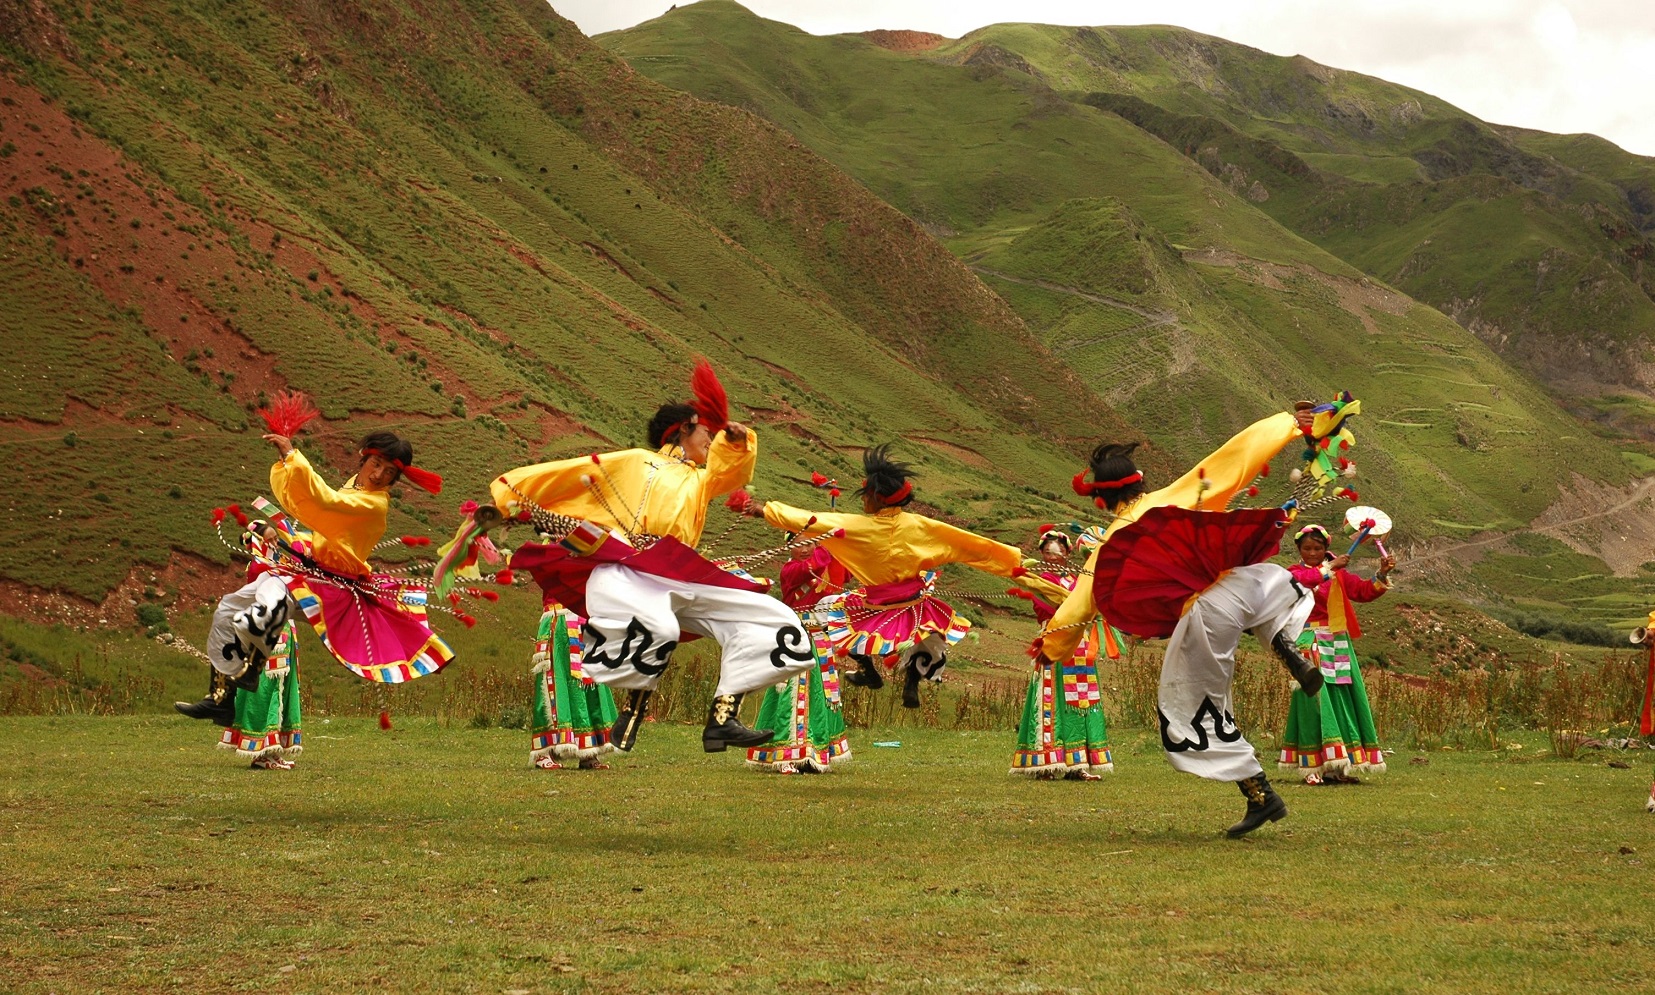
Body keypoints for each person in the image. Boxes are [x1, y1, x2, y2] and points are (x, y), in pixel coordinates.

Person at [463, 362, 815, 753]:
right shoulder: (635, 461)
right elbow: (567, 474)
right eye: (707, 432)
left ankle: (723, 716)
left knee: (777, 620)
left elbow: (729, 472)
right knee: (660, 628)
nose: (711, 440)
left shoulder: (700, 479)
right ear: (684, 428)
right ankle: (631, 702)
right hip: (628, 568)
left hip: (679, 572)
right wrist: (507, 504)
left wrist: (736, 439)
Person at [1039, 405, 1334, 837]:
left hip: (1207, 614)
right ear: (1140, 481)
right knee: (1274, 586)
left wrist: (1050, 647)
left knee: (1195, 711)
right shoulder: (1175, 495)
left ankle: (1262, 795)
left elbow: (1079, 607)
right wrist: (1291, 425)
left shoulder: (1111, 543)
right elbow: (1235, 458)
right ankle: (1286, 647)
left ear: (1100, 499)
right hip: (1248, 586)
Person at [175, 428, 455, 763]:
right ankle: (221, 697)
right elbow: (321, 522)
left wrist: (292, 456)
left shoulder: (372, 504)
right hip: (312, 568)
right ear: (365, 457)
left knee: (267, 605)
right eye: (376, 464)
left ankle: (251, 668)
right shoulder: (355, 484)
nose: (379, 474)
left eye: (389, 472)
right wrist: (285, 524)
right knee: (226, 610)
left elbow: (326, 504)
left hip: (332, 584)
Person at [760, 445, 1040, 709]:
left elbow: (807, 519)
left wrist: (763, 510)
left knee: (841, 623)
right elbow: (971, 545)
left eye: (867, 496)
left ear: (876, 497)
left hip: (877, 604)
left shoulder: (857, 526)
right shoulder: (922, 526)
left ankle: (869, 670)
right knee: (929, 639)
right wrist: (1015, 562)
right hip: (911, 602)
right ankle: (907, 682)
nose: (864, 501)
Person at [1278, 524, 1396, 784]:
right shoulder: (1294, 573)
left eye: (1318, 548)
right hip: (1309, 640)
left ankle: (1338, 765)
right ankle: (1311, 767)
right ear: (1298, 549)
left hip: (1338, 640)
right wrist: (1329, 569)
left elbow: (1363, 591)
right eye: (1307, 548)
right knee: (1314, 701)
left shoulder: (1339, 575)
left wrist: (1381, 573)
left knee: (1341, 699)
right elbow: (1302, 583)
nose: (1312, 553)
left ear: (1325, 549)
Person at [1010, 528, 1120, 780]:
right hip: (1054, 641)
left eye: (1057, 551)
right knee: (1051, 699)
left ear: (1068, 553)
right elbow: (1044, 607)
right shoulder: (1040, 579)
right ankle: (1046, 763)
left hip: (1081, 647)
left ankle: (1078, 764)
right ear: (1041, 555)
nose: (1052, 556)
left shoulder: (1079, 580)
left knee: (1081, 703)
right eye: (1047, 552)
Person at [746, 544, 854, 773]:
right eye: (799, 545)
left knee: (821, 693)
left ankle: (815, 752)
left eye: (810, 544)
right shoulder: (792, 570)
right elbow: (810, 567)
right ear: (789, 547)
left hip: (820, 637)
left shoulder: (822, 566)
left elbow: (846, 573)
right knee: (793, 693)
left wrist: (843, 550)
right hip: (796, 638)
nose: (805, 550)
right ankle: (789, 756)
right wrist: (827, 544)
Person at [527, 600, 617, 770]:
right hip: (559, 619)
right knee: (556, 683)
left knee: (588, 686)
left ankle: (588, 752)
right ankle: (543, 752)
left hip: (584, 620)